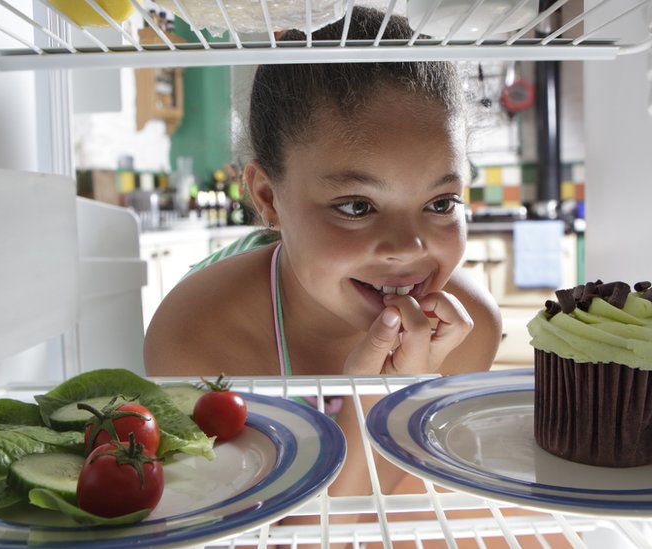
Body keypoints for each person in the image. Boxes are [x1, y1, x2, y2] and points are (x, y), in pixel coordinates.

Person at [144, 4, 503, 531]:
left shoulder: (468, 329)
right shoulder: (197, 334)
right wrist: (379, 397)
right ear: (267, 197)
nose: (408, 249)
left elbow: (372, 511)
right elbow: (287, 537)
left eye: (442, 202)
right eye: (357, 206)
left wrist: (393, 392)